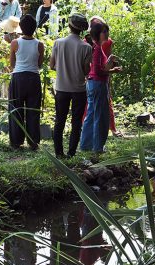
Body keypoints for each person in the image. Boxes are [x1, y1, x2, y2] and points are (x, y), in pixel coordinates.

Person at [49, 13, 93, 158]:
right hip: (79, 90)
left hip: (61, 88)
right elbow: (87, 71)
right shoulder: (86, 47)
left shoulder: (58, 43)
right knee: (76, 122)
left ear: (69, 26)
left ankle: (59, 153)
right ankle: (71, 153)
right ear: (81, 30)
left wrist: (63, 68)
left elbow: (52, 65)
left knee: (59, 121)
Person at [8, 14, 44, 151]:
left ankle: (16, 142)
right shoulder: (40, 44)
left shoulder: (15, 43)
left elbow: (12, 63)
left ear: (21, 28)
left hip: (18, 77)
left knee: (16, 109)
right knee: (33, 110)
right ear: (34, 28)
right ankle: (33, 142)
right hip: (33, 78)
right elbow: (39, 64)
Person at [79, 20, 115, 154]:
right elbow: (100, 71)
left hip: (92, 83)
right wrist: (113, 69)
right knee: (101, 116)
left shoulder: (95, 47)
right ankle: (98, 147)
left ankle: (86, 145)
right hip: (98, 83)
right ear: (98, 34)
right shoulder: (97, 49)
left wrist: (110, 65)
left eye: (107, 31)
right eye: (104, 32)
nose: (107, 34)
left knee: (91, 114)